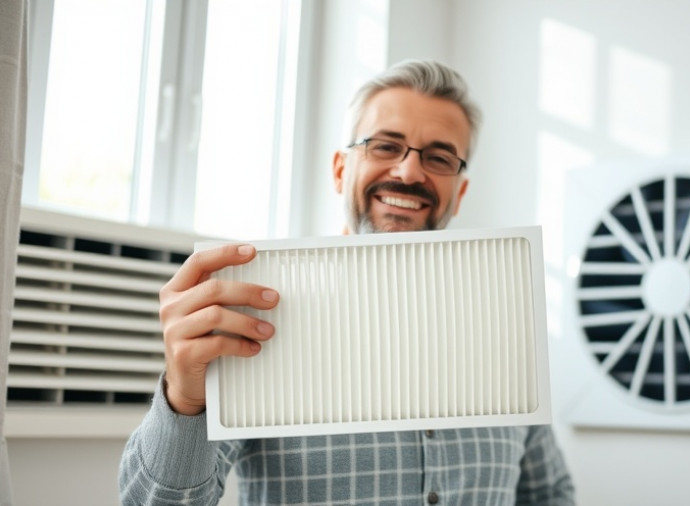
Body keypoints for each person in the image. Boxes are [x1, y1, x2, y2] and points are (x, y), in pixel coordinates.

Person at [119, 59, 575, 505]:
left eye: (439, 158)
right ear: (340, 170)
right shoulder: (257, 315)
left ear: (460, 191)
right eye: (384, 146)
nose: (409, 172)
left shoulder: (504, 326)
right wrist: (183, 398)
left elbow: (549, 494)